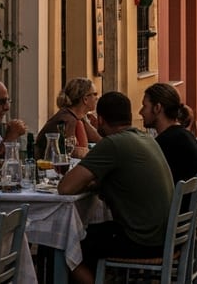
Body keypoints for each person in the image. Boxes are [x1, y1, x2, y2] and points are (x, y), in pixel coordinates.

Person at [59, 91, 175, 284]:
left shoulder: (113, 144)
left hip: (142, 240)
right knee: (87, 235)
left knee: (66, 241)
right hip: (163, 235)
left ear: (100, 120)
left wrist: (88, 182)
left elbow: (65, 187)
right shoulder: (145, 138)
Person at [140, 83, 197, 183]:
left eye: (145, 106)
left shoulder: (164, 143)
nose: (141, 112)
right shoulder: (186, 136)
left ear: (157, 108)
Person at [34, 77, 101, 159]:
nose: (97, 97)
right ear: (85, 99)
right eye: (95, 94)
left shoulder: (75, 116)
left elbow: (98, 140)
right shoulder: (67, 119)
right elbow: (69, 151)